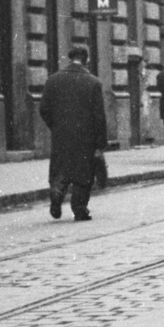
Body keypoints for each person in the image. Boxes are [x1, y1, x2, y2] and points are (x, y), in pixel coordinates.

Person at [40, 42, 107, 221]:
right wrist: (100, 143)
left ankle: (57, 191)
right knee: (83, 174)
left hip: (61, 135)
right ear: (85, 60)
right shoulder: (94, 82)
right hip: (86, 137)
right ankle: (79, 209)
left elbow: (44, 108)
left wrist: (55, 126)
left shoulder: (53, 79)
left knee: (60, 168)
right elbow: (99, 117)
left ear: (70, 58)